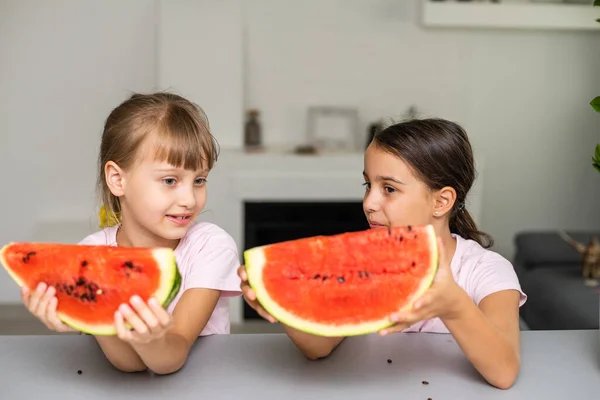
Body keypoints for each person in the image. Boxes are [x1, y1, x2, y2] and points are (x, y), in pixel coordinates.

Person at [238, 118, 527, 390]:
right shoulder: (361, 266)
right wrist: (283, 305)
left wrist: (454, 305)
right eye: (368, 185)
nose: (369, 203)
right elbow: (319, 348)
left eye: (389, 188)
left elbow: (504, 371)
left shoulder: (486, 270)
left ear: (441, 201)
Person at [21, 92, 241, 374]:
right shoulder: (92, 254)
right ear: (117, 179)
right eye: (170, 180)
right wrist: (83, 310)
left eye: (199, 180)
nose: (189, 198)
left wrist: (101, 314)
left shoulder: (210, 247)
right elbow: (129, 365)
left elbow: (172, 355)